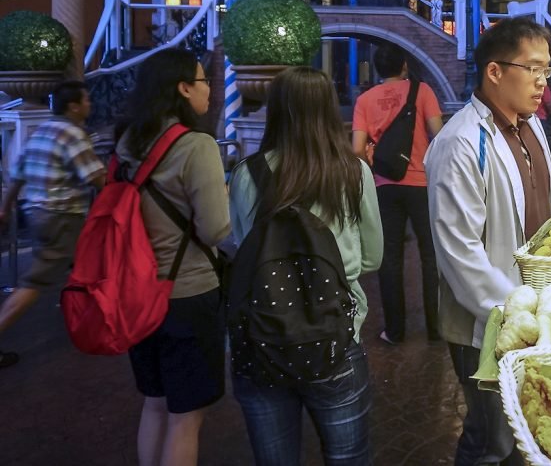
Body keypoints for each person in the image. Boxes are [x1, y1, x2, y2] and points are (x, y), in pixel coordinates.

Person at [426, 16, 551, 466]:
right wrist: (517, 314)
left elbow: (550, 213)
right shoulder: (461, 142)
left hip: (534, 310)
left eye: (548, 70)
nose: (543, 81)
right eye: (534, 69)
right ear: (496, 71)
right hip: (486, 321)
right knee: (491, 439)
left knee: (523, 430)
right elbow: (458, 252)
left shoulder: (531, 126)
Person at [229, 66, 383, 466]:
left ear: (276, 110)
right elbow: (373, 257)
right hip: (336, 335)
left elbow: (243, 250)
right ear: (328, 110)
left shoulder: (247, 175)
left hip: (262, 337)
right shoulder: (354, 172)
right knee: (349, 457)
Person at [115, 48, 231, 466]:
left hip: (136, 293)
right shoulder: (195, 145)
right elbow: (214, 229)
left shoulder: (127, 140)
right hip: (187, 294)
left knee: (155, 404)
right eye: (203, 81)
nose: (210, 90)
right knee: (186, 419)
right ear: (183, 88)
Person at [0, 81, 105, 369]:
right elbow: (96, 177)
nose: (90, 105)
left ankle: (89, 316)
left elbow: (18, 173)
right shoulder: (73, 134)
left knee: (85, 262)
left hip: (35, 211)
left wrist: (6, 207)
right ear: (73, 106)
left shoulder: (43, 130)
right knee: (34, 282)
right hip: (62, 215)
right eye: (86, 100)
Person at [352, 43, 443, 345]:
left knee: (389, 257)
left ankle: (394, 330)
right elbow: (439, 136)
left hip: (384, 184)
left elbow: (356, 151)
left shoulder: (365, 100)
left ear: (378, 68)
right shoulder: (423, 91)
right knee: (431, 256)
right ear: (404, 65)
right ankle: (436, 327)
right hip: (421, 184)